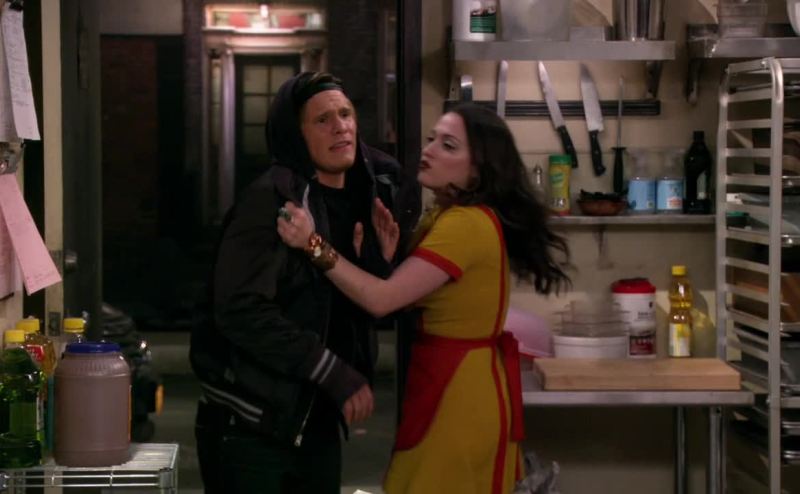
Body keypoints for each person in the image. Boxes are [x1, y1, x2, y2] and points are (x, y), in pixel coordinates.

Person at [278, 103, 571, 493]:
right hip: (450, 381)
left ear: (478, 170)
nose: (429, 150)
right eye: (432, 139)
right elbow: (409, 295)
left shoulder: (464, 225)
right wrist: (385, 260)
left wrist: (312, 244)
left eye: (448, 145)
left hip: (459, 394)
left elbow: (382, 300)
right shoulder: (449, 217)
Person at [189, 71, 418, 494]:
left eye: (346, 114)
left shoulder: (362, 200)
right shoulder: (273, 202)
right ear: (296, 136)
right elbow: (240, 310)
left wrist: (379, 267)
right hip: (252, 424)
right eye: (323, 119)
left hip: (315, 420)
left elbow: (341, 306)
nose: (341, 127)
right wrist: (332, 371)